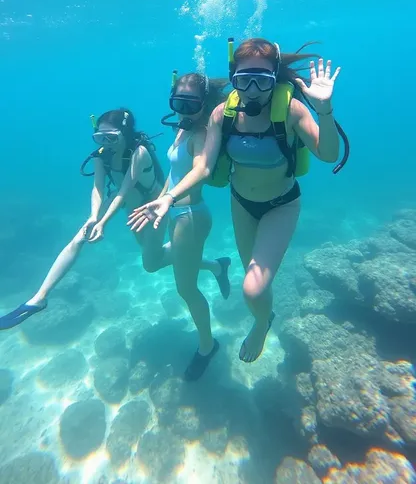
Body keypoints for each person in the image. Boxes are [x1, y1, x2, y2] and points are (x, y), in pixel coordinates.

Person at [127, 38, 345, 364]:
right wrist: (169, 197)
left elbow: (329, 155)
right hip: (241, 205)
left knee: (253, 290)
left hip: (281, 205)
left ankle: (261, 324)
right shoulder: (222, 114)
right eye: (244, 81)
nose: (253, 90)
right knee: (251, 279)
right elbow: (202, 166)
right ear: (233, 79)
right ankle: (263, 314)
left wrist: (324, 110)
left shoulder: (290, 109)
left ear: (275, 78)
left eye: (263, 80)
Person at [0, 108, 171, 330]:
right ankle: (39, 298)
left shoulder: (139, 152)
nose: (106, 142)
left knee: (151, 263)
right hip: (128, 204)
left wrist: (103, 222)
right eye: (100, 137)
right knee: (80, 236)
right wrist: (93, 217)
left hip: (151, 206)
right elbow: (98, 188)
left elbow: (125, 188)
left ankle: (199, 257)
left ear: (125, 133)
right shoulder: (101, 155)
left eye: (111, 137)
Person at [128, 71, 232, 381]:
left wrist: (169, 199)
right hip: (172, 210)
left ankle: (207, 347)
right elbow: (174, 175)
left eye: (191, 104)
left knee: (186, 289)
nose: (184, 111)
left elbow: (202, 168)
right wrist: (156, 203)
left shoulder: (201, 134)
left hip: (190, 217)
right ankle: (217, 266)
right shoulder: (181, 130)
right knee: (152, 263)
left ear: (203, 103)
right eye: (178, 103)